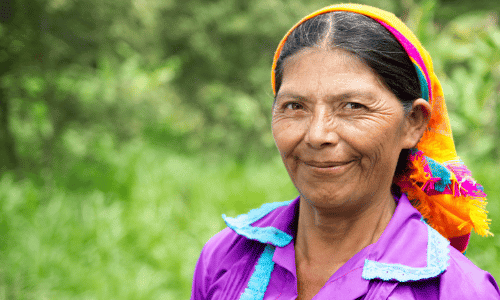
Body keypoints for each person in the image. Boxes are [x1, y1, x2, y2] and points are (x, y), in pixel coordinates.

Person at [190, 4, 500, 300]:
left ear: (413, 123)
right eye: (295, 106)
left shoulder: (456, 291)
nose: (317, 135)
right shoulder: (226, 256)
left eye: (353, 106)